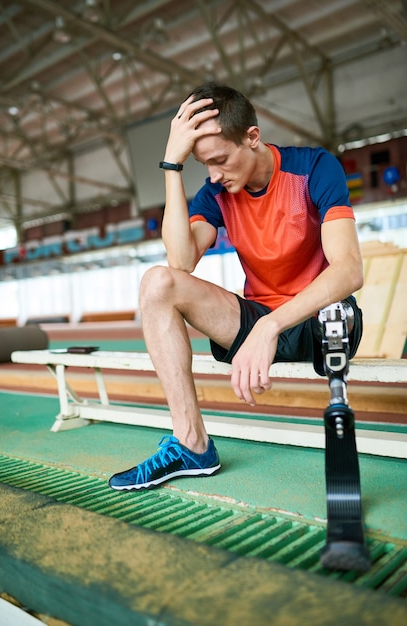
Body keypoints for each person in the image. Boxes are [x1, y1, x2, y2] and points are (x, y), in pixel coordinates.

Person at [109, 82, 363, 491]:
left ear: (252, 137)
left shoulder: (313, 168)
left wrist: (270, 327)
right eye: (203, 164)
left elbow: (350, 270)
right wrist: (172, 167)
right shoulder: (215, 194)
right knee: (157, 283)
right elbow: (180, 263)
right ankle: (191, 443)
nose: (213, 174)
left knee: (338, 312)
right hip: (257, 320)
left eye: (221, 160)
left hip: (319, 318)